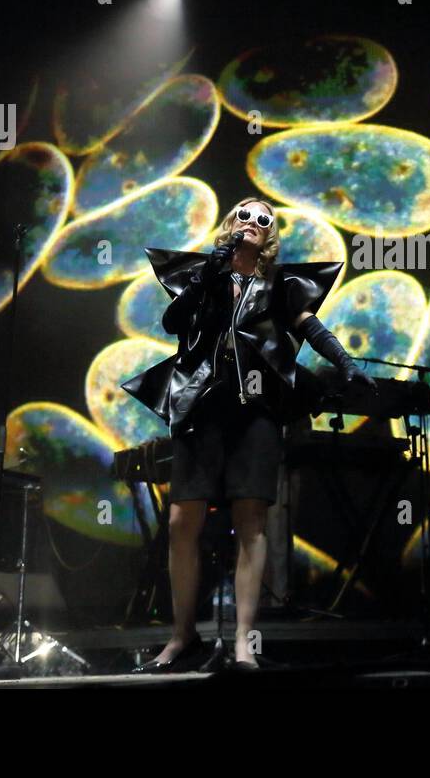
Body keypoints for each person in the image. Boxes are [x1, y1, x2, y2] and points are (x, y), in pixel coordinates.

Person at [122, 198, 374, 671]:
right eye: (244, 215)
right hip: (200, 407)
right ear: (230, 226)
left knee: (251, 521)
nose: (253, 223)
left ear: (270, 235)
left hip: (255, 410)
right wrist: (208, 276)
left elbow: (309, 326)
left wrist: (345, 362)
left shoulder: (280, 284)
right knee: (181, 521)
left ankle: (243, 642)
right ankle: (181, 637)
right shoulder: (204, 276)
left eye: (264, 220)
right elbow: (174, 323)